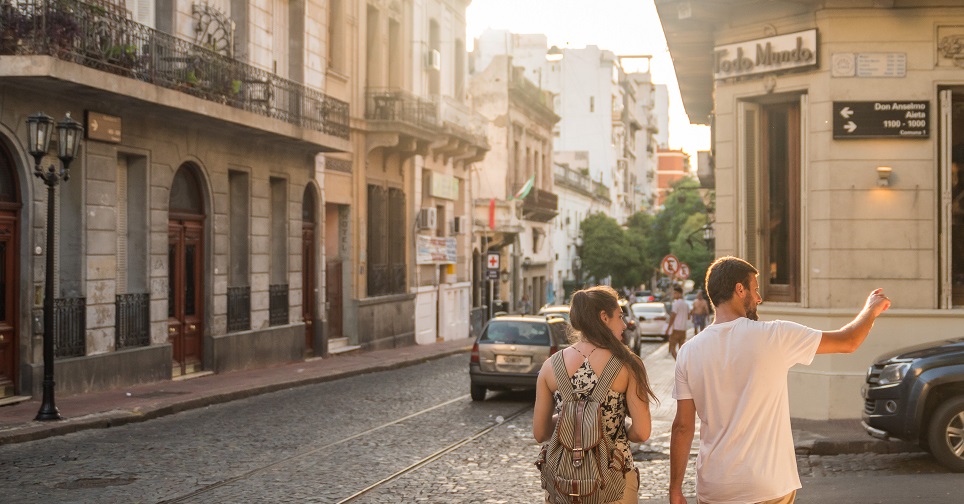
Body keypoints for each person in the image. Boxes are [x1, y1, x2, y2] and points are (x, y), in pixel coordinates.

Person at [668, 256, 890, 504]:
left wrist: (675, 489)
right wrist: (871, 309)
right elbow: (848, 341)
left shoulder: (689, 351)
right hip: (768, 487)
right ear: (739, 290)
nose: (759, 298)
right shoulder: (774, 335)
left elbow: (683, 427)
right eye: (755, 289)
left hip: (715, 489)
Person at [534, 285, 657, 503]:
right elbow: (642, 432)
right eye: (619, 316)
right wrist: (619, 425)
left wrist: (571, 418)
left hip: (565, 484)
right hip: (615, 480)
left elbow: (540, 432)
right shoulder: (628, 365)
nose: (623, 324)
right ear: (604, 317)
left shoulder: (550, 366)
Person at [664, 285, 689, 359]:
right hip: (683, 330)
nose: (673, 295)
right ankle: (682, 364)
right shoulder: (686, 304)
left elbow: (673, 316)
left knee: (672, 349)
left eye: (675, 293)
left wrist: (668, 328)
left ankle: (678, 363)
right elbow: (688, 316)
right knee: (681, 349)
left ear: (679, 294)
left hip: (676, 329)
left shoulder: (676, 303)